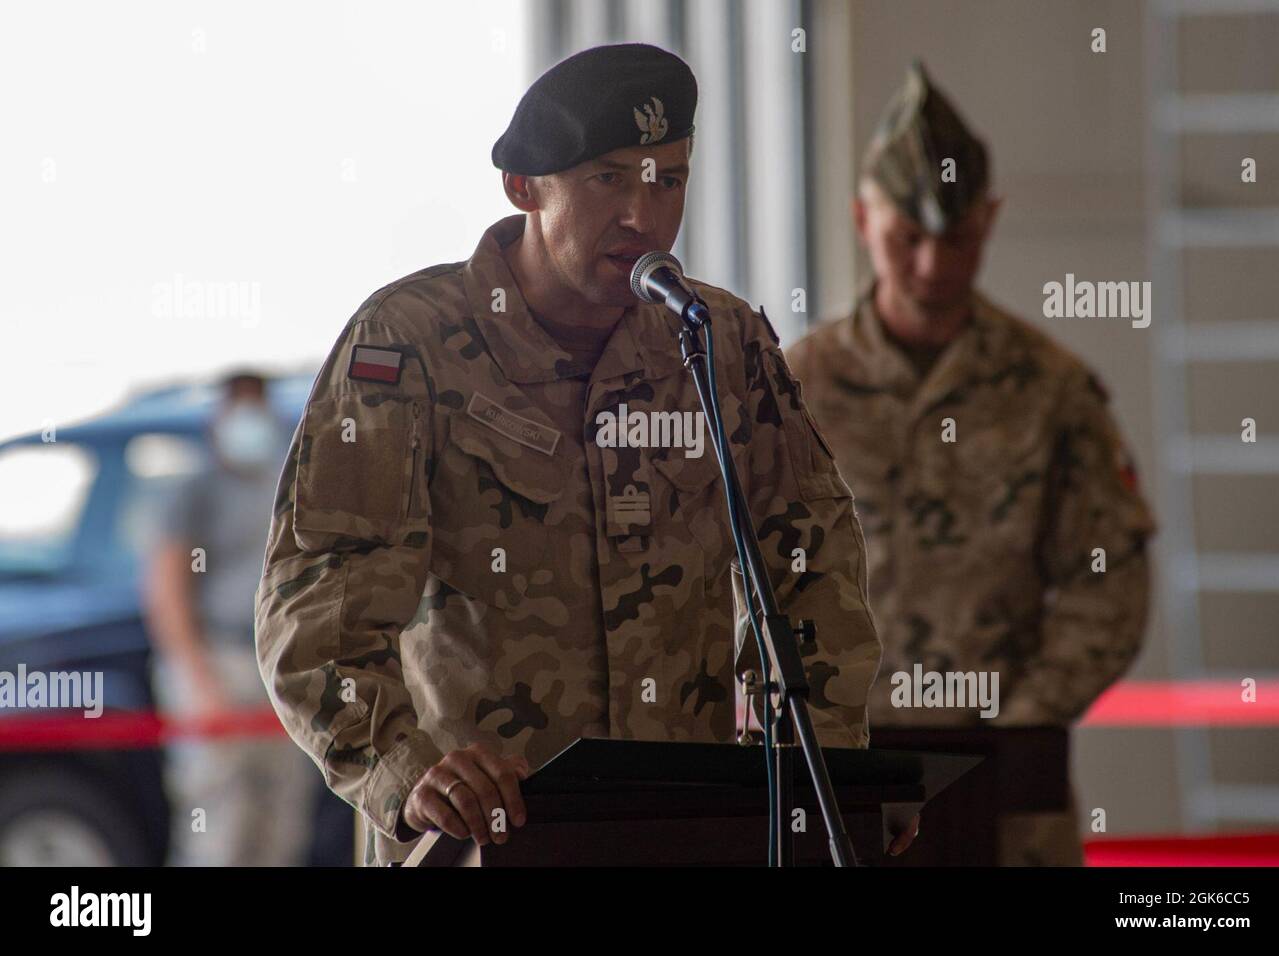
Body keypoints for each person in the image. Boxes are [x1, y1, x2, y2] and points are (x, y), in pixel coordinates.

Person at [254, 43, 906, 867]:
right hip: (485, 837)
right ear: (524, 188)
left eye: (668, 180)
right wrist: (405, 769)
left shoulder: (718, 340)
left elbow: (811, 564)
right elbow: (316, 602)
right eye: (609, 179)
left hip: (684, 829)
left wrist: (833, 771)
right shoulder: (407, 343)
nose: (645, 214)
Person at [785, 62, 1156, 865]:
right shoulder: (792, 388)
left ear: (990, 220)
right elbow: (726, 575)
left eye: (955, 238)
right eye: (905, 238)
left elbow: (1112, 573)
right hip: (834, 781)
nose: (930, 266)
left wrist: (1024, 714)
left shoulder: (1051, 388)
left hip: (1007, 794)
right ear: (860, 219)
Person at [145, 370, 317, 865]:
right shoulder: (195, 490)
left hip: (281, 668)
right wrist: (198, 680)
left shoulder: (287, 485)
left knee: (281, 825)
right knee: (220, 829)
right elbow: (167, 588)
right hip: (220, 664)